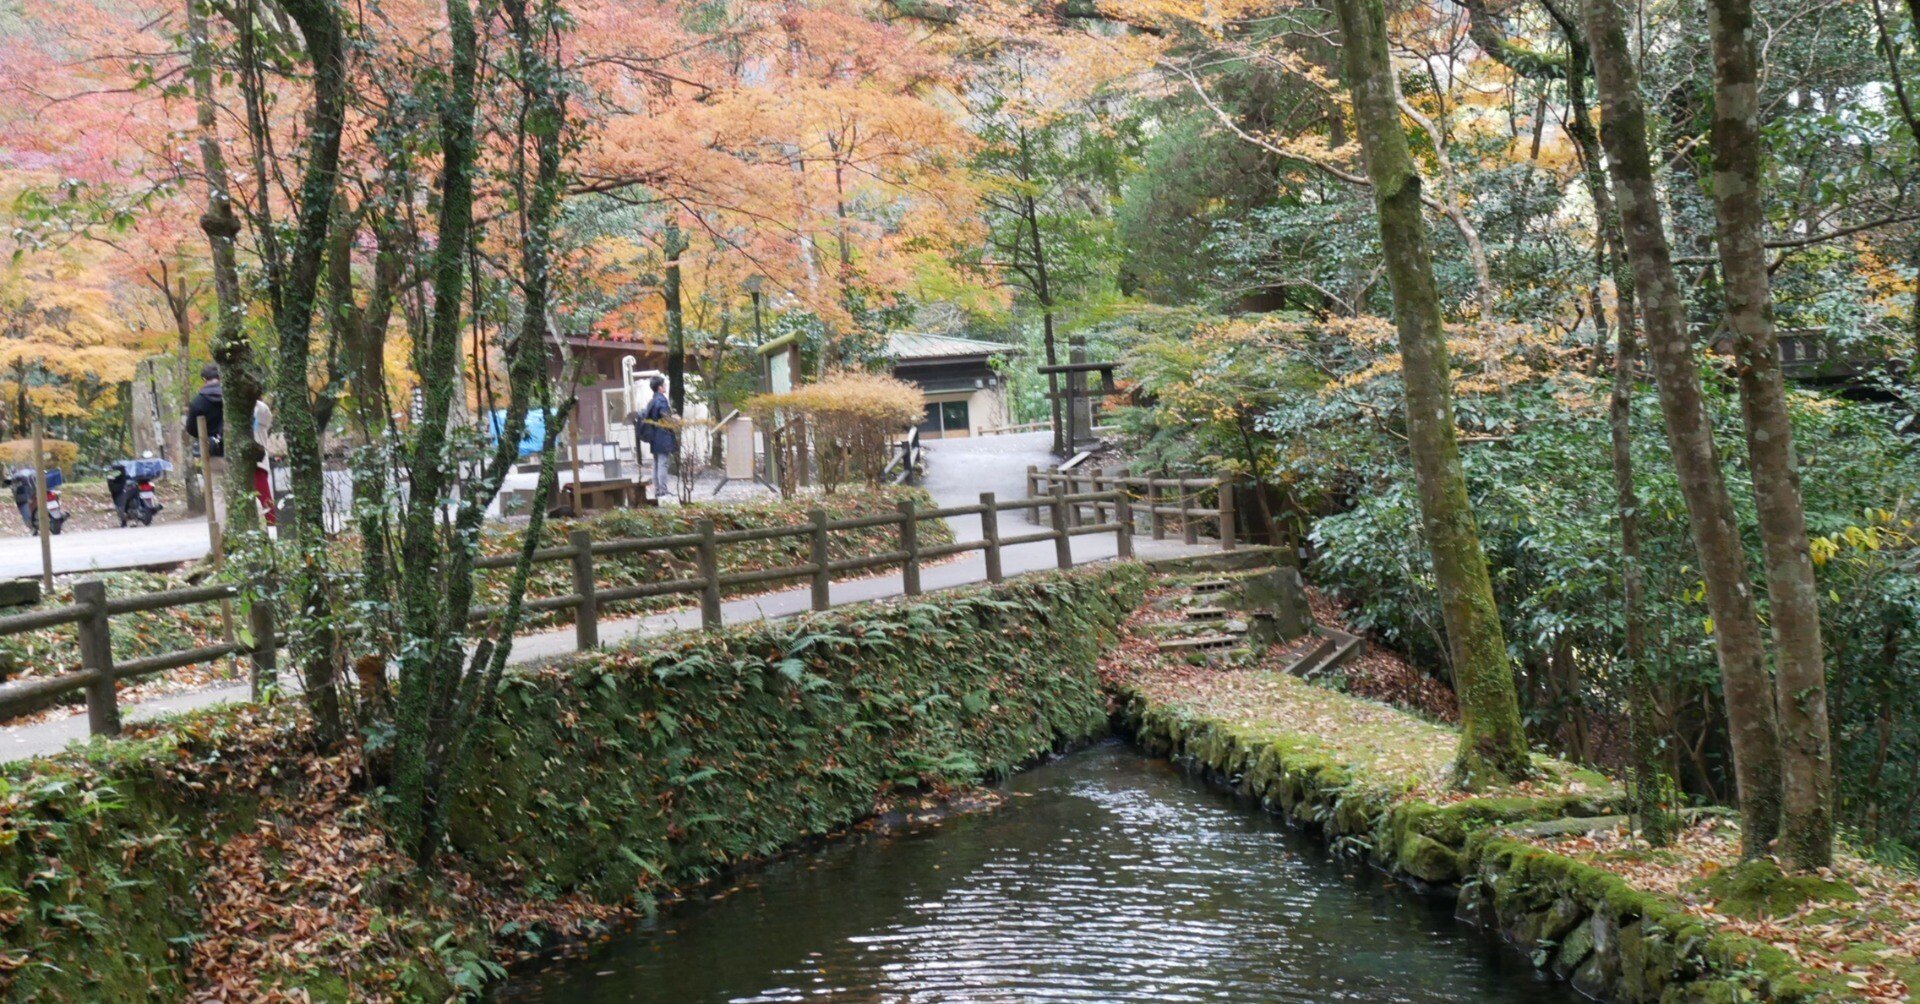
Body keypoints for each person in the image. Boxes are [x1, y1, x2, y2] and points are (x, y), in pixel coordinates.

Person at [183, 363, 226, 518]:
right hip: (234, 450)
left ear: (204, 379)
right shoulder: (231, 397)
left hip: (212, 453)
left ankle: (221, 534)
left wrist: (206, 435)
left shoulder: (198, 402)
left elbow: (191, 428)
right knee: (242, 490)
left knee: (217, 494)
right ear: (220, 377)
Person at [631, 375, 675, 502]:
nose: (665, 387)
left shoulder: (652, 400)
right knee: (663, 463)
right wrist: (674, 420)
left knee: (656, 463)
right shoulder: (661, 400)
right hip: (663, 435)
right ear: (660, 388)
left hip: (654, 436)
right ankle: (663, 490)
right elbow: (665, 417)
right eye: (664, 385)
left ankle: (657, 490)